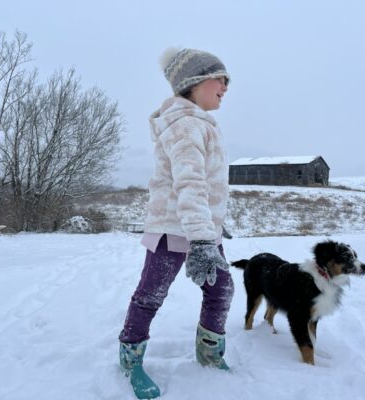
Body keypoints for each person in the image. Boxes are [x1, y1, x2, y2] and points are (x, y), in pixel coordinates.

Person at [118, 47, 234, 399]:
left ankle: (209, 353)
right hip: (173, 229)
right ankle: (131, 358)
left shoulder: (199, 123)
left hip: (202, 230)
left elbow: (207, 186)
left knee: (221, 289)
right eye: (220, 79)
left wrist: (212, 226)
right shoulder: (185, 125)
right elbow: (190, 183)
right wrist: (202, 239)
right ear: (194, 82)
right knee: (151, 294)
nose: (226, 87)